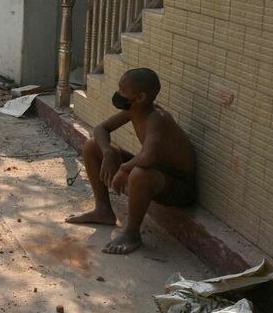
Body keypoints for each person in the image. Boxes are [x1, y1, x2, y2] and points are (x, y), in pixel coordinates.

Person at [67, 68, 197, 255]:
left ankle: (132, 233)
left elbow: (147, 158)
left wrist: (122, 169)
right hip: (155, 171)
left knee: (138, 173)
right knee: (92, 146)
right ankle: (103, 210)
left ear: (141, 97)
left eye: (123, 92)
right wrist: (108, 153)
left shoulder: (156, 118)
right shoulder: (134, 109)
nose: (118, 95)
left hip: (178, 187)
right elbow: (101, 129)